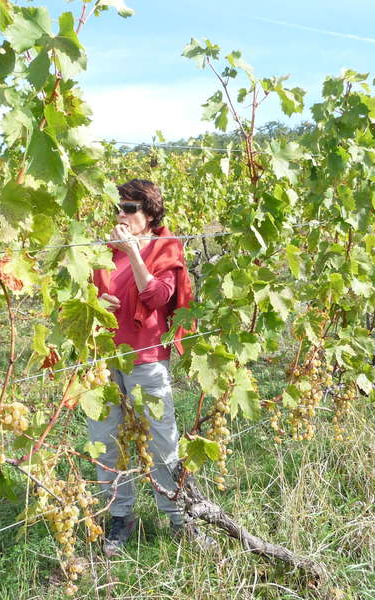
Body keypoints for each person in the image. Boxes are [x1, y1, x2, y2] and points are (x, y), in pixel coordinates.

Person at [89, 179, 214, 556]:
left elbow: (157, 296)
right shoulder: (104, 251)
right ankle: (120, 516)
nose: (121, 215)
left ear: (149, 214)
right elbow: (89, 295)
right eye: (119, 207)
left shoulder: (166, 249)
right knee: (105, 443)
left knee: (163, 441)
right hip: (106, 359)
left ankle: (180, 519)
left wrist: (134, 253)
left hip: (146, 360)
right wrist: (98, 305)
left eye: (129, 209)